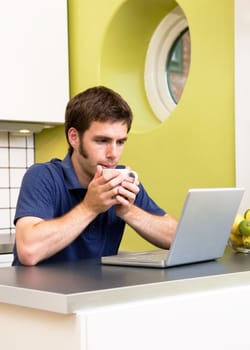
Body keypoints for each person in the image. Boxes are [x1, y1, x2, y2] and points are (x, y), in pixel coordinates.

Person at [12, 86, 178, 266]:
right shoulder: (43, 176)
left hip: (91, 293)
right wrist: (90, 207)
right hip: (40, 293)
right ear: (74, 137)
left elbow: (177, 237)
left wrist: (128, 211)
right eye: (102, 141)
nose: (113, 153)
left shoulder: (121, 179)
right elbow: (28, 251)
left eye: (120, 142)